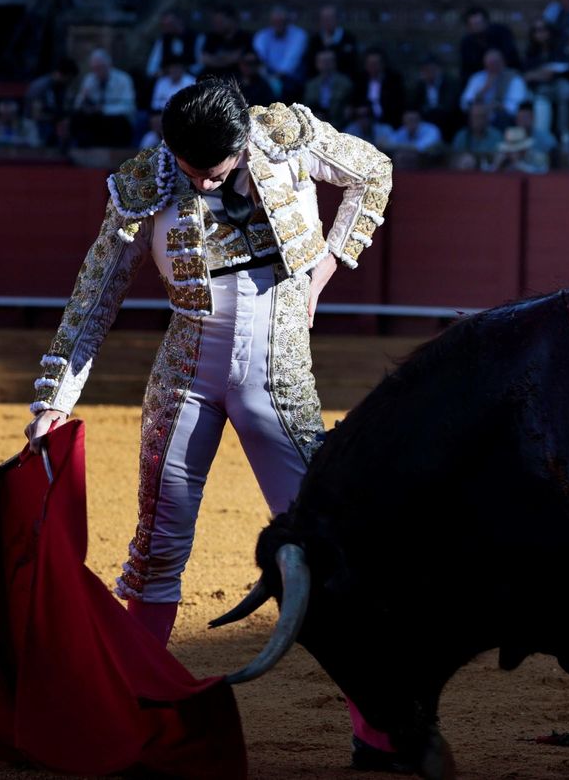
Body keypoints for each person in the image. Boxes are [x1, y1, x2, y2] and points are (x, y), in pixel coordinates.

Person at [23, 79, 395, 767]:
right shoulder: (147, 181)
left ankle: (376, 729)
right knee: (158, 546)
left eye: (214, 171)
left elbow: (374, 172)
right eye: (189, 171)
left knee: (323, 549)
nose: (201, 183)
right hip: (185, 372)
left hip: (278, 370)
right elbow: (94, 294)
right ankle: (138, 711)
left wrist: (320, 273)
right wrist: (55, 401)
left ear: (243, 141)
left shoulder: (285, 137)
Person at [71, 49, 138, 147]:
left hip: (117, 120)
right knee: (78, 119)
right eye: (94, 69)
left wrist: (104, 109)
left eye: (100, 68)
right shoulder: (90, 80)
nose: (97, 72)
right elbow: (77, 105)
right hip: (97, 120)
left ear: (108, 66)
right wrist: (84, 98)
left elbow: (129, 107)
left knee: (117, 122)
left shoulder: (123, 79)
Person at [252, 5, 310, 93]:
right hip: (266, 77)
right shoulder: (262, 36)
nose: (278, 24)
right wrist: (268, 77)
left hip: (290, 79)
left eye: (282, 21)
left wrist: (275, 78)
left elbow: (290, 62)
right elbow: (260, 59)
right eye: (275, 21)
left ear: (288, 21)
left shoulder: (299, 35)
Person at [197, 7, 251, 81]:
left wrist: (215, 59)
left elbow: (243, 59)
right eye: (215, 22)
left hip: (236, 79)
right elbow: (204, 59)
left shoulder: (244, 37)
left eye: (220, 22)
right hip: (211, 78)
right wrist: (228, 59)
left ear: (232, 20)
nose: (217, 25)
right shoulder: (211, 37)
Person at [145, 11, 201, 81]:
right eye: (164, 25)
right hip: (166, 80)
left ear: (179, 21)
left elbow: (199, 65)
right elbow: (151, 69)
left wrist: (181, 72)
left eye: (170, 24)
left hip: (190, 80)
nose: (167, 28)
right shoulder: (162, 41)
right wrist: (164, 72)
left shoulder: (196, 37)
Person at [303, 49, 354, 122]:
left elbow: (349, 106)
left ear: (335, 63)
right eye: (323, 61)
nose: (326, 64)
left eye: (329, 61)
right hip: (315, 121)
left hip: (339, 122)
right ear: (317, 63)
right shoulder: (310, 85)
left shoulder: (345, 83)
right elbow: (306, 106)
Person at [450, 101, 503, 170]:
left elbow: (499, 158)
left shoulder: (496, 136)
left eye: (481, 116)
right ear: (469, 118)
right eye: (475, 116)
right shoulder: (461, 136)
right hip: (464, 175)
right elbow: (453, 159)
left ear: (487, 118)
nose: (478, 120)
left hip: (489, 175)